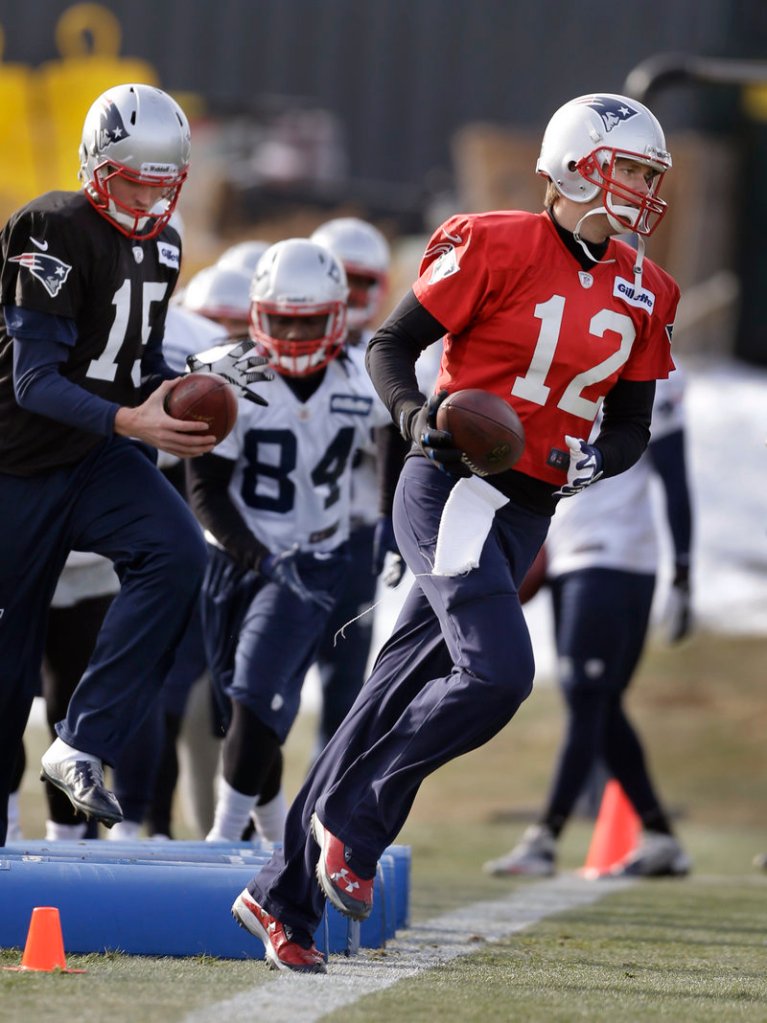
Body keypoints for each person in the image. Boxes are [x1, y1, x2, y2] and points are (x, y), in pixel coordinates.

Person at [231, 92, 681, 974]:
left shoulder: (646, 289)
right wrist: (416, 419)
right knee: (500, 671)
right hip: (453, 486)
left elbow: (632, 422)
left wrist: (594, 461)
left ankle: (278, 896)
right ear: (575, 164)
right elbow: (391, 347)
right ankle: (352, 822)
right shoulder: (496, 241)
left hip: (525, 512)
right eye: (628, 168)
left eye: (644, 175)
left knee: (386, 696)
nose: (637, 189)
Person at [0, 83, 269, 845]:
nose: (149, 196)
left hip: (91, 455)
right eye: (133, 178)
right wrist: (132, 416)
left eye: (163, 180)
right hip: (15, 464)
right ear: (95, 165)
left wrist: (186, 386)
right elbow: (34, 382)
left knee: (178, 551)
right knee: (8, 671)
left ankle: (81, 742)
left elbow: (136, 357)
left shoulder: (167, 242)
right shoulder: (50, 226)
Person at [186, 238, 394, 847]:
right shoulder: (224, 371)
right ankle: (280, 848)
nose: (296, 336)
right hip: (233, 558)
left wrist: (386, 518)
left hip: (314, 560)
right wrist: (260, 558)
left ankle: (222, 842)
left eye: (309, 322)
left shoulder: (363, 372)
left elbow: (394, 440)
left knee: (255, 694)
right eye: (282, 321)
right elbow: (207, 491)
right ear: (256, 314)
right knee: (240, 712)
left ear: (337, 316)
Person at [483, 369, 694, 879]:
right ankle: (660, 833)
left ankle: (545, 838)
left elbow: (673, 473)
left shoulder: (654, 376)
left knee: (588, 695)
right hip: (569, 556)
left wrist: (684, 570)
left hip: (615, 558)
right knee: (596, 701)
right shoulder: (556, 356)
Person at [307, 216, 402, 758]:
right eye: (340, 278)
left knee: (345, 684)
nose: (350, 295)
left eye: (361, 282)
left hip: (356, 536)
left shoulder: (384, 360)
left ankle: (322, 808)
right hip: (281, 537)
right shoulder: (270, 356)